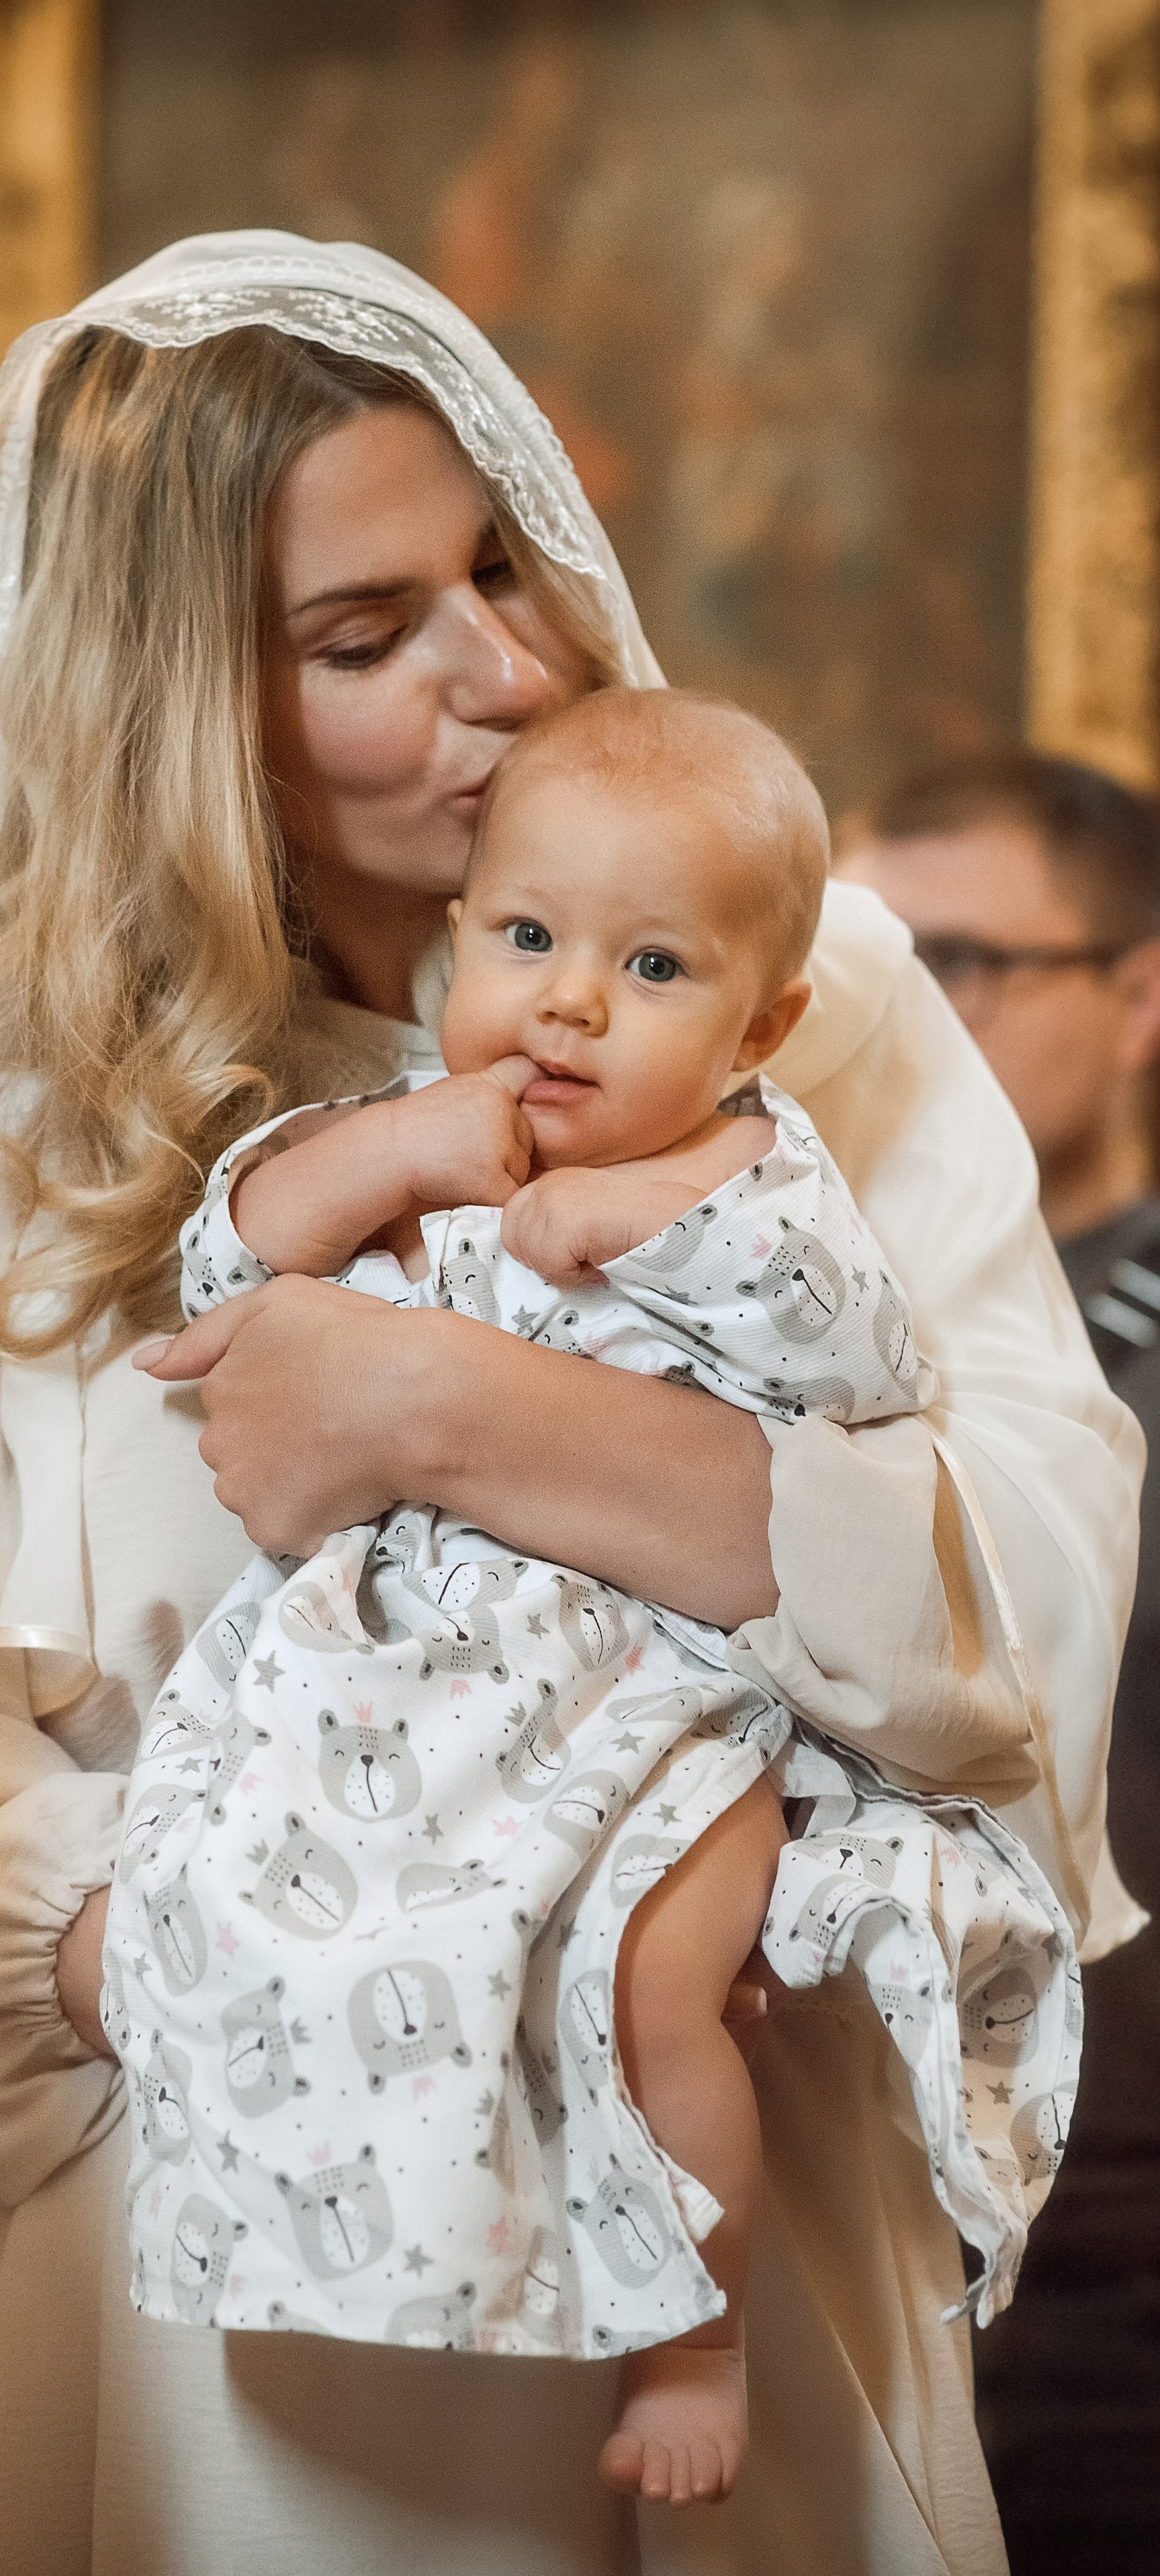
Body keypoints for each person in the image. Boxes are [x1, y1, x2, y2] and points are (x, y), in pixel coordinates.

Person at [0, 236, 1139, 2576]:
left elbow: (1036, 1588)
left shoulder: (824, 1000)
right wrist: (307, 1959)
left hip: (733, 2259)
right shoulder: (43, 1128)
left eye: (504, 565)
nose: (505, 672)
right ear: (194, 714)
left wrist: (437, 1405)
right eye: (367, 640)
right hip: (240, 2299)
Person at [109, 686, 1077, 2511]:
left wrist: (671, 1211)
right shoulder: (401, 1135)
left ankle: (691, 2337)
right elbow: (219, 1263)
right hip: (398, 1692)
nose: (568, 999)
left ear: (757, 1022)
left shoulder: (754, 1169)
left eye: (649, 968)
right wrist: (395, 1159)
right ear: (458, 943)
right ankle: (285, 2239)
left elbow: (858, 1360)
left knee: (657, 1988)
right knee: (247, 1902)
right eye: (531, 939)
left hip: (664, 1686)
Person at [840, 749, 1160, 2576]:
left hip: (1111, 2257)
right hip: (825, 2217)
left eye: (958, 960)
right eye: (864, 953)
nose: (897, 1012)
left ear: (1136, 993)